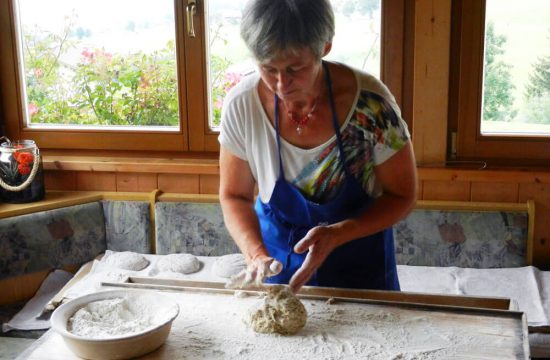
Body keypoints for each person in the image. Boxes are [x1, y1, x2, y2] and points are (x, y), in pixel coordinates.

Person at [218, 0, 417, 293]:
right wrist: (256, 254)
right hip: (279, 264)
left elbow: (402, 195)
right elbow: (234, 195)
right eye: (268, 68)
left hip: (360, 263)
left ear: (324, 47)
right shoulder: (242, 105)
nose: (281, 85)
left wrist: (339, 233)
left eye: (294, 68)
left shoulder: (371, 105)